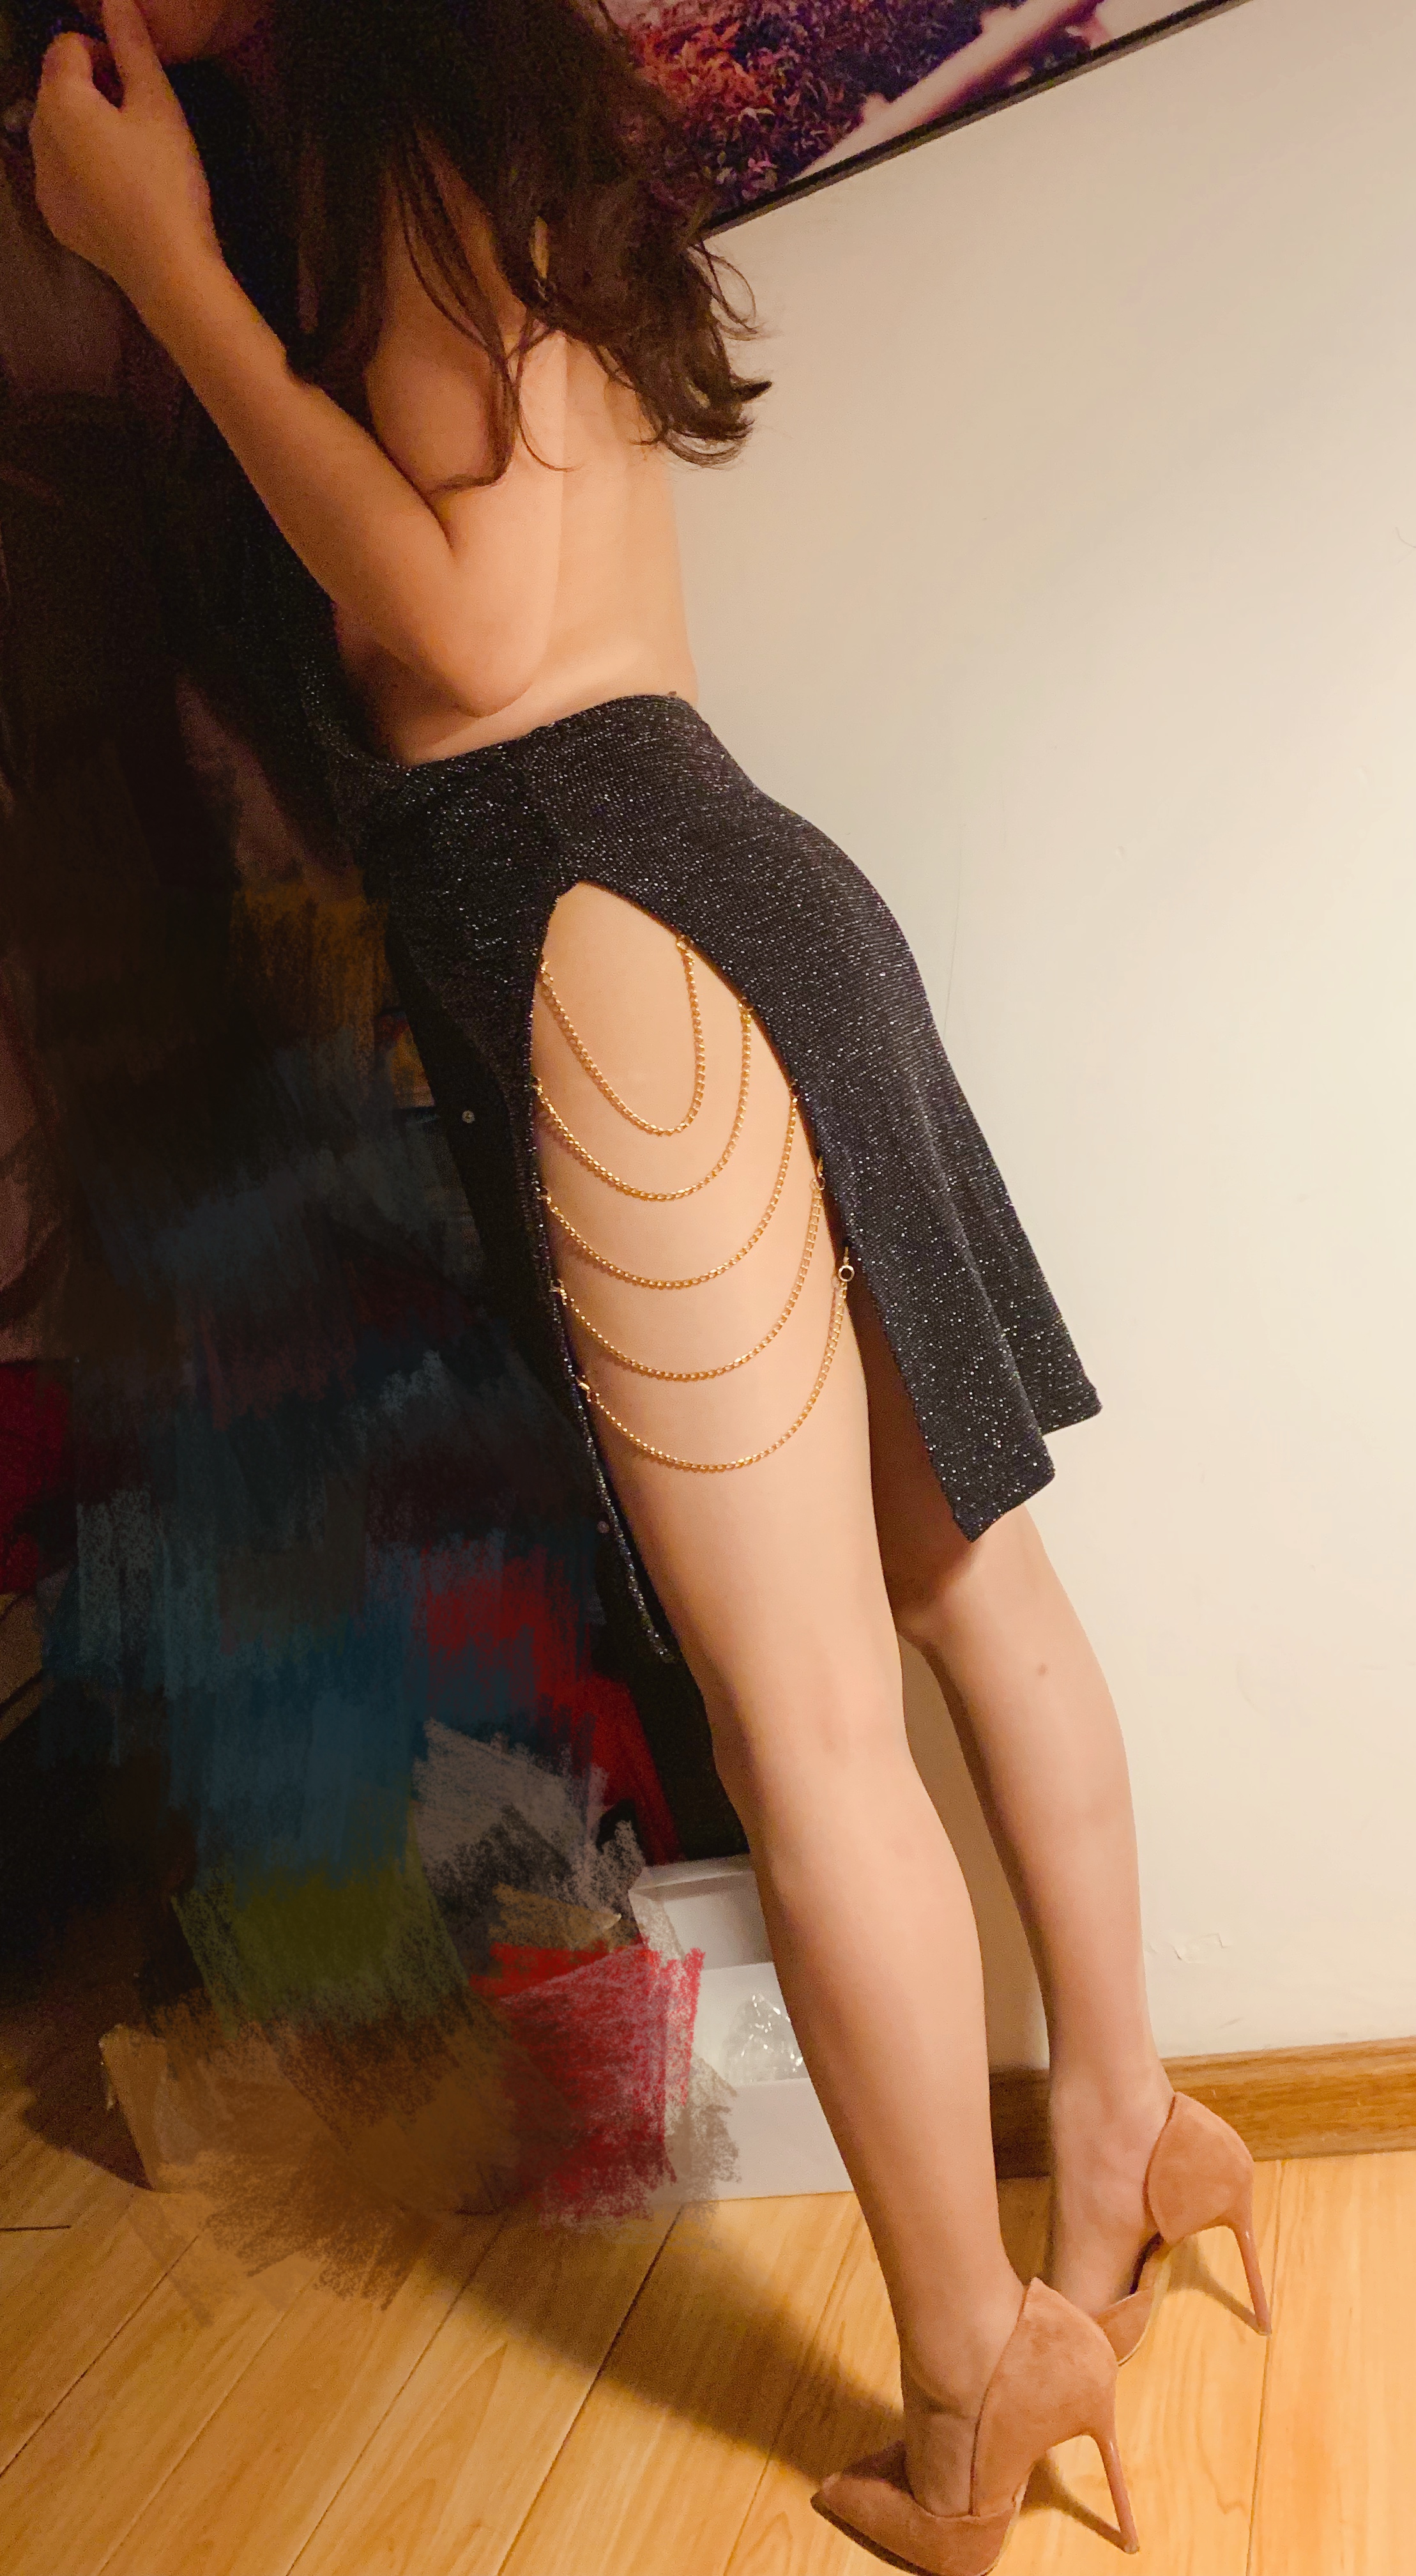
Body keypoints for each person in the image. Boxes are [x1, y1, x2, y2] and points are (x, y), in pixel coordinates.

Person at [26, 1, 1270, 2564]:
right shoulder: (466, 120)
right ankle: (1127, 2136)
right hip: (737, 883)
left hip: (601, 938)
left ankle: (972, 2388)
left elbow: (473, 633)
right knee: (969, 1585)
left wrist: (161, 270)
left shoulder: (371, 140)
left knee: (807, 1723)